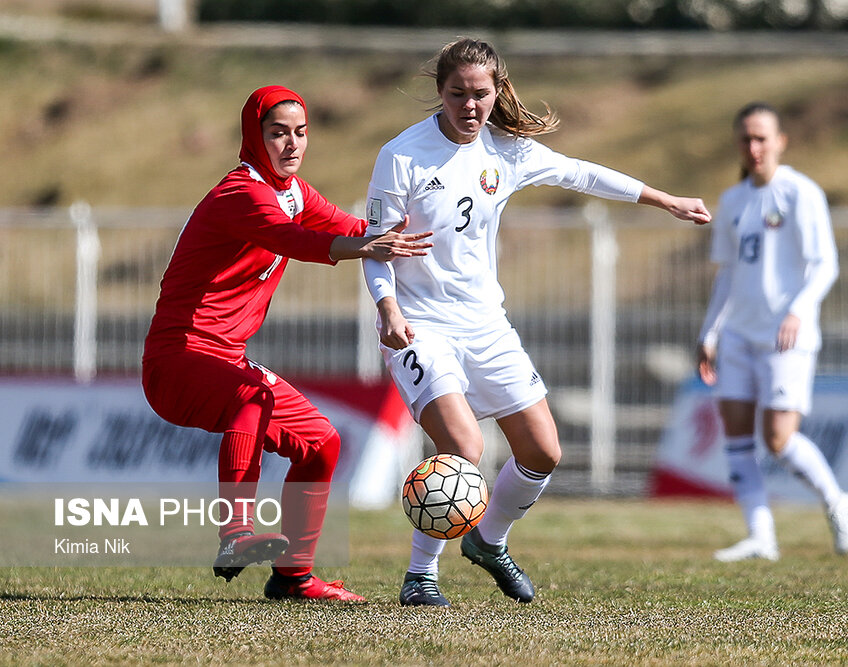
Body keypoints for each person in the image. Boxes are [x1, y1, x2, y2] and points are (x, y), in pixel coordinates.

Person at [362, 38, 712, 607]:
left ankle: (489, 541)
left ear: (497, 90)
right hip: (420, 322)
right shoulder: (401, 155)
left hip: (486, 324)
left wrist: (664, 199)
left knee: (543, 453)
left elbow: (581, 174)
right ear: (439, 93)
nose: (470, 107)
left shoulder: (508, 151)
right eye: (458, 95)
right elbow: (376, 248)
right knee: (463, 447)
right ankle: (420, 576)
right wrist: (388, 309)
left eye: (480, 95)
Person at [142, 85, 432, 601]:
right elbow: (293, 240)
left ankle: (294, 577)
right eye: (277, 133)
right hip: (179, 360)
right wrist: (362, 244)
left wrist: (416, 236)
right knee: (249, 396)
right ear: (254, 136)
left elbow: (352, 228)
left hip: (226, 360)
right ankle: (234, 535)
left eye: (300, 132)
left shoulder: (294, 191)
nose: (292, 144)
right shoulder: (241, 192)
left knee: (322, 443)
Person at [696, 101, 848, 562]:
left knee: (778, 439)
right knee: (736, 436)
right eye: (746, 138)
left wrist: (799, 310)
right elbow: (726, 275)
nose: (754, 147)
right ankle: (761, 535)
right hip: (737, 338)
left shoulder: (800, 193)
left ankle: (836, 500)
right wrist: (709, 334)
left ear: (780, 142)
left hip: (786, 336)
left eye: (762, 138)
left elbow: (825, 264)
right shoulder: (732, 201)